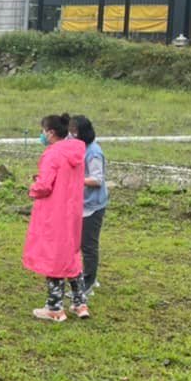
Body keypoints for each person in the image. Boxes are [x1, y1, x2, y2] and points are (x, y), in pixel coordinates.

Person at [23, 113, 88, 322]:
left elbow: (44, 186)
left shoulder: (53, 154)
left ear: (51, 132)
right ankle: (79, 303)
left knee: (53, 258)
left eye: (43, 131)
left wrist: (33, 187)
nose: (42, 135)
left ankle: (54, 307)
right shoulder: (77, 152)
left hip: (54, 213)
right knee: (72, 255)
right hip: (72, 212)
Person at [71, 115, 107, 297]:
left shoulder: (93, 152)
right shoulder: (82, 148)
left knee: (89, 246)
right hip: (82, 203)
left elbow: (97, 179)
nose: (72, 134)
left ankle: (88, 284)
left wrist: (76, 180)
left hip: (93, 206)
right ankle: (88, 277)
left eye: (74, 131)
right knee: (78, 243)